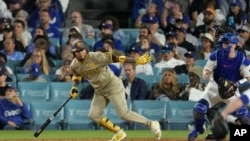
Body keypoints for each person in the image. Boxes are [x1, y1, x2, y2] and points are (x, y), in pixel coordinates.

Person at [69, 40, 161, 141]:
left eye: (82, 50)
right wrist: (74, 86)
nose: (80, 53)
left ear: (85, 50)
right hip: (99, 90)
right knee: (94, 115)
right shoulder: (74, 64)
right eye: (77, 51)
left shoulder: (96, 57)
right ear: (74, 53)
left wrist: (135, 61)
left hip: (113, 86)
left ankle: (151, 124)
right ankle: (119, 133)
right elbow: (76, 75)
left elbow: (115, 58)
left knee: (124, 114)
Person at [187, 33, 250, 141]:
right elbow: (207, 69)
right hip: (214, 88)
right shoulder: (215, 55)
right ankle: (198, 129)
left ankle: (242, 135)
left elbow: (248, 77)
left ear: (234, 45)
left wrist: (236, 84)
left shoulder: (242, 59)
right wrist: (206, 73)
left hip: (232, 90)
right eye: (222, 43)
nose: (223, 46)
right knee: (199, 108)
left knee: (243, 114)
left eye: (226, 43)